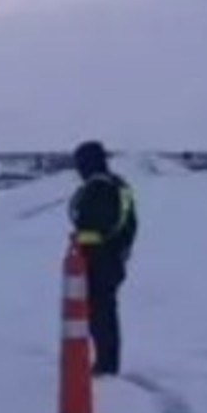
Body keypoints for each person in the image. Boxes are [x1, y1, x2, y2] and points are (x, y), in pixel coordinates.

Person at [68, 139, 136, 376]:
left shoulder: (99, 187)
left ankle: (106, 366)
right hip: (113, 257)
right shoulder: (117, 184)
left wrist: (80, 238)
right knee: (103, 312)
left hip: (101, 260)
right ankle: (107, 361)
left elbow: (94, 225)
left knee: (101, 314)